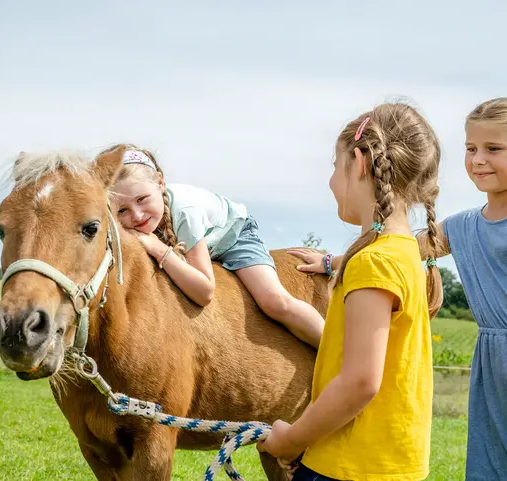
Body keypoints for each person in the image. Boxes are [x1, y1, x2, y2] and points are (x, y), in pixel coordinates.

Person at [291, 97, 507, 480]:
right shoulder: (463, 226)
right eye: (471, 148)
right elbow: (404, 248)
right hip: (491, 359)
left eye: (494, 148)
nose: (477, 159)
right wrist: (332, 263)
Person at [257, 102, 443, 480]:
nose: (329, 181)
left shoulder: (373, 263)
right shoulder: (405, 252)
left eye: (333, 165)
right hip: (389, 463)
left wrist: (292, 439)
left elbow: (359, 382)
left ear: (359, 161)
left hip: (349, 467)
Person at [103, 143, 325, 349]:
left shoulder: (185, 212)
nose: (137, 215)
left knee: (274, 302)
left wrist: (158, 249)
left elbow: (205, 292)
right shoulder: (137, 221)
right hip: (193, 243)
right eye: (122, 210)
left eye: (142, 199)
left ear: (160, 183)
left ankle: (337, 351)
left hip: (233, 236)